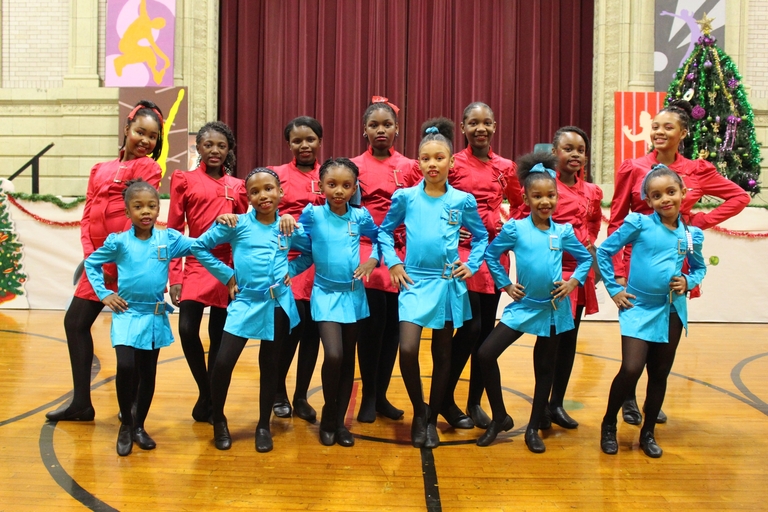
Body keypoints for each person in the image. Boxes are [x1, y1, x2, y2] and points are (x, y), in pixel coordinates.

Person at [609, 99, 749, 425]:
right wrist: (617, 272)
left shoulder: (697, 170)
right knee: (636, 340)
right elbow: (616, 221)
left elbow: (739, 196)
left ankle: (651, 401)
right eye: (655, 126)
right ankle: (628, 397)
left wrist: (698, 222)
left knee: (664, 339)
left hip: (674, 265)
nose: (659, 132)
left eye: (667, 127)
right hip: (637, 265)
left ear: (682, 133)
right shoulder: (633, 168)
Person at [46, 100, 164, 422]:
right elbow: (87, 215)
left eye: (153, 136)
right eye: (140, 132)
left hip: (128, 267)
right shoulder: (99, 169)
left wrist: (112, 264)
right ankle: (81, 403)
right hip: (98, 266)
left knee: (133, 337)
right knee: (75, 323)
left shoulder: (148, 168)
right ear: (126, 129)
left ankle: (133, 407)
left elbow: (135, 219)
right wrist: (92, 259)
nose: (145, 140)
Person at [379, 118, 488, 449]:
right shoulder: (405, 197)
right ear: (419, 162)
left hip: (446, 284)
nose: (432, 164)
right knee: (408, 348)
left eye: (439, 158)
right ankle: (418, 410)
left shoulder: (462, 200)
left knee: (442, 354)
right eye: (426, 158)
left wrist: (471, 264)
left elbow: (481, 236)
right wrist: (393, 262)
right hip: (414, 281)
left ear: (451, 162)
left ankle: (429, 421)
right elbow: (384, 232)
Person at [476, 152, 592, 453]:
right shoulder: (515, 228)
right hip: (523, 307)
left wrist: (573, 282)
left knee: (544, 368)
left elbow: (584, 259)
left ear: (557, 198)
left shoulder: (563, 232)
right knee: (486, 354)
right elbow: (491, 255)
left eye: (550, 195)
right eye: (537, 196)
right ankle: (499, 416)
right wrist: (505, 284)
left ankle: (532, 427)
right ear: (526, 199)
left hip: (553, 309)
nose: (545, 201)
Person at [192, 168, 305, 453]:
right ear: (247, 197)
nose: (262, 195)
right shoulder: (237, 224)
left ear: (280, 192)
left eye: (268, 189)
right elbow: (200, 247)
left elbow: (310, 251)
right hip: (244, 303)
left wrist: (291, 270)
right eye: (254, 192)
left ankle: (263, 425)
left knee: (270, 365)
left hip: (277, 304)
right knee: (222, 363)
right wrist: (227, 275)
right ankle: (219, 420)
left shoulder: (288, 227)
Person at [598, 164, 706, 458]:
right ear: (648, 200)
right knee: (631, 368)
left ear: (683, 192)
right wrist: (614, 288)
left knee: (659, 373)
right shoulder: (639, 224)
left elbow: (699, 268)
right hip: (638, 307)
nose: (665, 199)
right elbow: (605, 251)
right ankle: (609, 424)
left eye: (671, 192)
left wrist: (688, 281)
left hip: (671, 310)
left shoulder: (691, 235)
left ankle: (648, 433)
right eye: (656, 195)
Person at [84, 179, 193, 456]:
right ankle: (126, 423)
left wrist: (225, 225)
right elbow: (91, 263)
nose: (146, 211)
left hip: (153, 318)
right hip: (126, 314)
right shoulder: (119, 242)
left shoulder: (167, 239)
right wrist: (104, 293)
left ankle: (139, 425)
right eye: (138, 206)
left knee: (148, 372)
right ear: (127, 211)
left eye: (152, 206)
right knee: (126, 366)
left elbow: (201, 244)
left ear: (158, 209)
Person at [284, 157, 381, 446]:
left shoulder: (360, 217)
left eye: (346, 185)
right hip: (325, 294)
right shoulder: (312, 214)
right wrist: (286, 268)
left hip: (354, 295)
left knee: (348, 359)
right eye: (332, 184)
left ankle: (340, 423)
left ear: (354, 188)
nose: (339, 191)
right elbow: (300, 245)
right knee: (335, 355)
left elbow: (380, 239)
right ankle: (328, 413)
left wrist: (373, 260)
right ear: (321, 185)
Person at [441, 101, 522, 430]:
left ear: (494, 127)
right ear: (462, 128)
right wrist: (451, 226)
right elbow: (435, 197)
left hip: (494, 258)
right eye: (473, 123)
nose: (480, 128)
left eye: (486, 122)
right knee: (470, 328)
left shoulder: (506, 166)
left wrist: (508, 227)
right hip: (461, 256)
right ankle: (444, 396)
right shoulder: (453, 163)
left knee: (485, 334)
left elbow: (520, 204)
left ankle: (474, 402)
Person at [167, 121, 248, 423]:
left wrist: (240, 274)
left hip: (227, 268)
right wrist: (175, 277)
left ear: (229, 150)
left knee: (218, 336)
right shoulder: (184, 180)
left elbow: (244, 232)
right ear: (198, 147)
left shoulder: (238, 186)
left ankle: (211, 401)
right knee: (187, 329)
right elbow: (174, 230)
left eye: (221, 145)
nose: (215, 150)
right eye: (208, 144)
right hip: (195, 262)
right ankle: (206, 392)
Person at [351, 97, 421, 423]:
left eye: (387, 124)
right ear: (364, 130)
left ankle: (380, 395)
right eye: (374, 125)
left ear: (397, 129)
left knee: (394, 329)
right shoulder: (353, 166)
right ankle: (367, 395)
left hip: (401, 254)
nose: (381, 130)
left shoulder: (411, 167)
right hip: (366, 252)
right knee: (370, 329)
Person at [541, 126, 603, 430]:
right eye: (568, 149)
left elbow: (594, 222)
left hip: (578, 275)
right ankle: (541, 405)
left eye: (580, 150)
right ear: (555, 153)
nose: (575, 154)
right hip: (553, 274)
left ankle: (557, 404)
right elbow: (525, 220)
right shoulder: (544, 186)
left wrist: (587, 242)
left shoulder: (592, 191)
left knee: (569, 340)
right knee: (549, 342)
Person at [268, 116, 326, 423]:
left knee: (313, 335)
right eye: (297, 140)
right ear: (288, 144)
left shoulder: (330, 174)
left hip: (324, 264)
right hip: (288, 263)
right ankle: (278, 392)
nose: (304, 145)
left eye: (310, 139)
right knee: (287, 332)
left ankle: (301, 396)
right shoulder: (276, 175)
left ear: (319, 141)